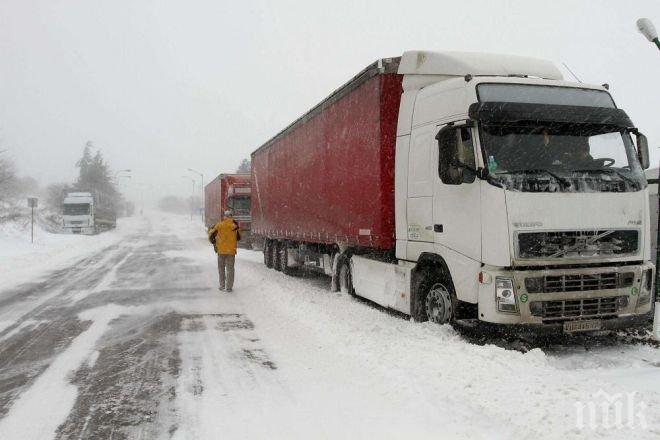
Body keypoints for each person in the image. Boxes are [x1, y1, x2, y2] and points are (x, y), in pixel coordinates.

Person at [208, 210, 240, 292]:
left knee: (221, 269)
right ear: (231, 216)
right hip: (231, 251)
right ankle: (229, 287)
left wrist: (214, 242)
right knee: (230, 270)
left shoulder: (219, 225)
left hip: (221, 251)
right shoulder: (235, 226)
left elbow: (210, 233)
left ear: (224, 216)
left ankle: (222, 286)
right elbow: (239, 237)